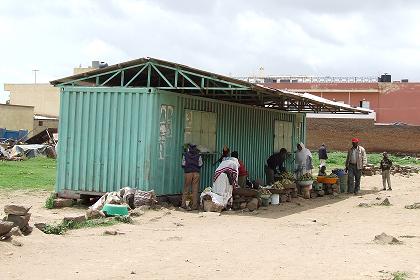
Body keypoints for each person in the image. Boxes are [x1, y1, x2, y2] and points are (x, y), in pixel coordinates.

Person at [181, 144, 203, 210]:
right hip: (196, 173)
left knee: (186, 189)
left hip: (188, 173)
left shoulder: (185, 155)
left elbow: (183, 164)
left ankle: (183, 204)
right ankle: (194, 206)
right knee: (195, 190)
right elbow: (200, 164)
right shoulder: (198, 155)